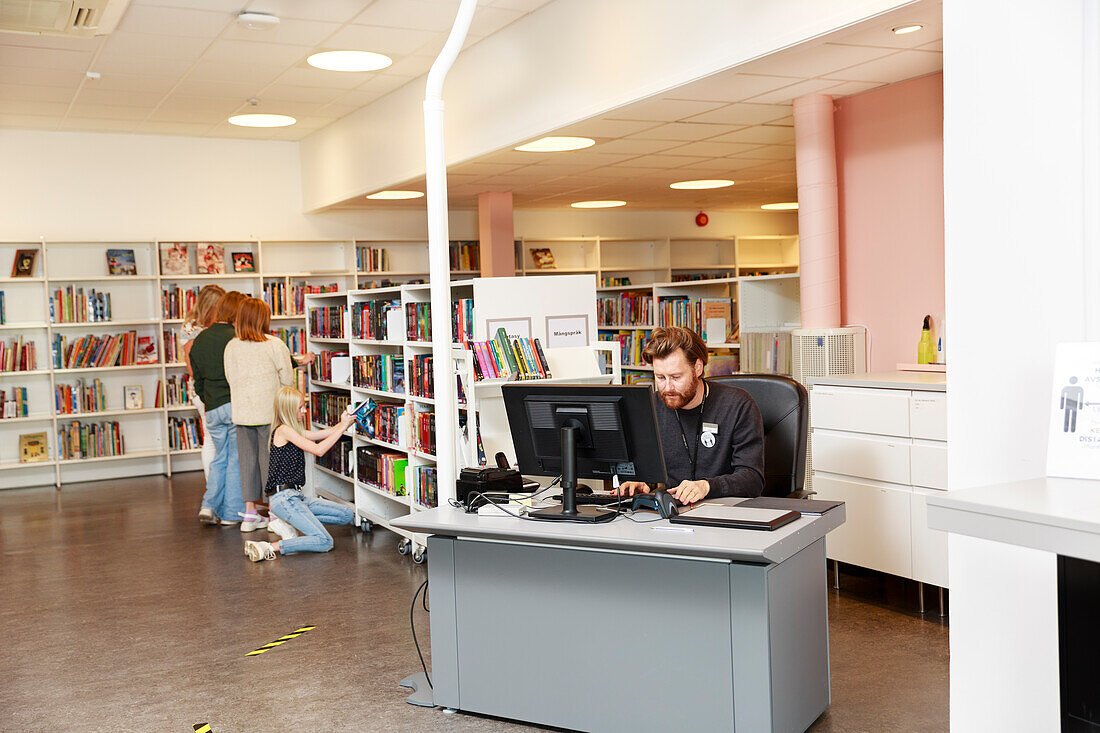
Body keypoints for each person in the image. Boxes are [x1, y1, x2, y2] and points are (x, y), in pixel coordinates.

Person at [614, 326, 765, 504]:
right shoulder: (651, 407)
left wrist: (707, 487)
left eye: (676, 377)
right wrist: (638, 480)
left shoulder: (738, 405)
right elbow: (637, 468)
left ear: (698, 368)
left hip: (726, 511)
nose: (668, 388)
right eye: (660, 378)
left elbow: (752, 479)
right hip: (671, 513)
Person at [223, 297, 312, 532]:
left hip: (242, 413)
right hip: (270, 414)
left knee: (248, 463)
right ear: (264, 319)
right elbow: (287, 381)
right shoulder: (275, 344)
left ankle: (250, 513)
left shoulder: (231, 346)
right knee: (271, 464)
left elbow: (230, 378)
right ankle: (274, 515)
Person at [244, 387, 356, 563]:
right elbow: (319, 450)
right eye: (301, 407)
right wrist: (342, 429)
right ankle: (269, 547)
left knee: (346, 515)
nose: (305, 411)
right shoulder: (283, 430)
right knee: (325, 541)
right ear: (289, 409)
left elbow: (322, 434)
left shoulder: (293, 430)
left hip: (297, 497)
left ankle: (289, 523)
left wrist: (344, 423)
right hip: (284, 499)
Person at [189, 290, 247, 526]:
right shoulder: (238, 338)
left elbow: (197, 378)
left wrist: (207, 399)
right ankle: (231, 514)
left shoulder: (201, 338)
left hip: (212, 407)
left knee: (220, 458)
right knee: (234, 460)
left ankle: (209, 505)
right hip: (234, 404)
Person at [180, 284, 225, 479]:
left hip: (216, 388)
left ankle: (220, 486)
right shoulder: (192, 327)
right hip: (204, 390)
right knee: (211, 439)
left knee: (219, 439)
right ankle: (212, 486)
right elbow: (191, 364)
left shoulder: (215, 325)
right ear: (210, 306)